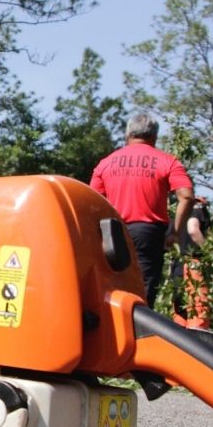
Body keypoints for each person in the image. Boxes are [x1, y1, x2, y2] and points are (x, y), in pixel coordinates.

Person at [90, 113, 194, 304]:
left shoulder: (105, 163)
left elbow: (91, 201)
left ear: (127, 135)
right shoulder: (167, 161)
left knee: (113, 290)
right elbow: (186, 196)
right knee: (143, 292)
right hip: (148, 235)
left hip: (112, 234)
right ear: (154, 136)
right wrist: (175, 233)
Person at [169, 196, 212, 328]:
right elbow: (193, 228)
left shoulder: (177, 213)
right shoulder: (198, 207)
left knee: (179, 312)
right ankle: (197, 338)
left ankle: (179, 339)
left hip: (177, 265)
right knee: (198, 309)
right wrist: (209, 253)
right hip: (193, 264)